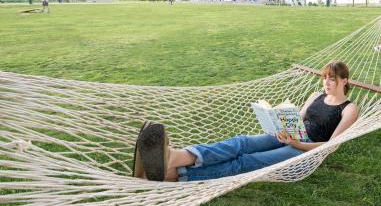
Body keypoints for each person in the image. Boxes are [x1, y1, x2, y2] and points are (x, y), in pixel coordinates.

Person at [133, 61, 358, 182]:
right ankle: (175, 157)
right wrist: (281, 127)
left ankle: (173, 174)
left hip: (306, 152)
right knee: (240, 143)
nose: (327, 82)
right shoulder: (315, 95)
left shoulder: (349, 109)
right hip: (290, 138)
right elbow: (297, 120)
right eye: (324, 77)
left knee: (246, 161)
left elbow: (332, 145)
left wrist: (299, 145)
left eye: (332, 78)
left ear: (344, 80)